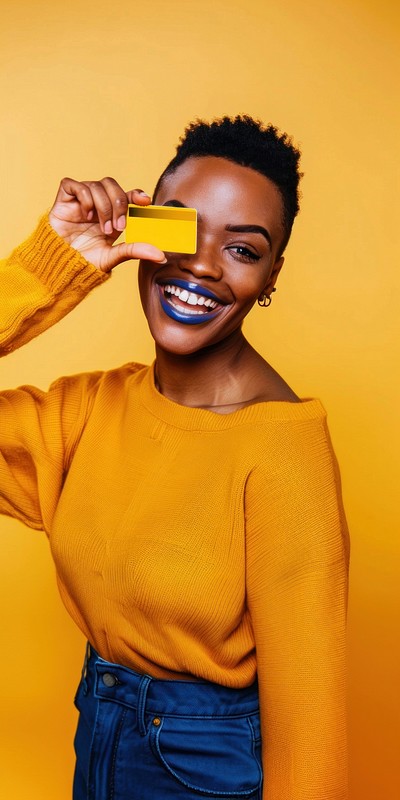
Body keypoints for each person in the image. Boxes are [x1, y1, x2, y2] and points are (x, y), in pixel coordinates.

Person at [0, 115, 350, 800]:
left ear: (271, 275)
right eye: (183, 230)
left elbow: (312, 730)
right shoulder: (87, 413)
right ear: (141, 229)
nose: (201, 265)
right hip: (97, 737)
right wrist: (55, 262)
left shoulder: (283, 450)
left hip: (204, 770)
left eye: (244, 250)